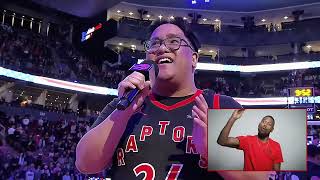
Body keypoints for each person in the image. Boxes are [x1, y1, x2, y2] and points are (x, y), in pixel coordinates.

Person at [76, 17, 271, 179]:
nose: (161, 48)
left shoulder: (223, 105)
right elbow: (85, 164)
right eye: (154, 43)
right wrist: (123, 112)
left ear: (194, 59)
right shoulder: (124, 103)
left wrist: (212, 149)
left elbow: (261, 176)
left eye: (173, 41)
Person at [217, 109, 284, 171]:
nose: (265, 125)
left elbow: (277, 172)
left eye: (269, 124)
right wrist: (233, 118)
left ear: (272, 129)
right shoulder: (247, 141)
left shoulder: (276, 146)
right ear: (259, 124)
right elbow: (222, 141)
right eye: (264, 122)